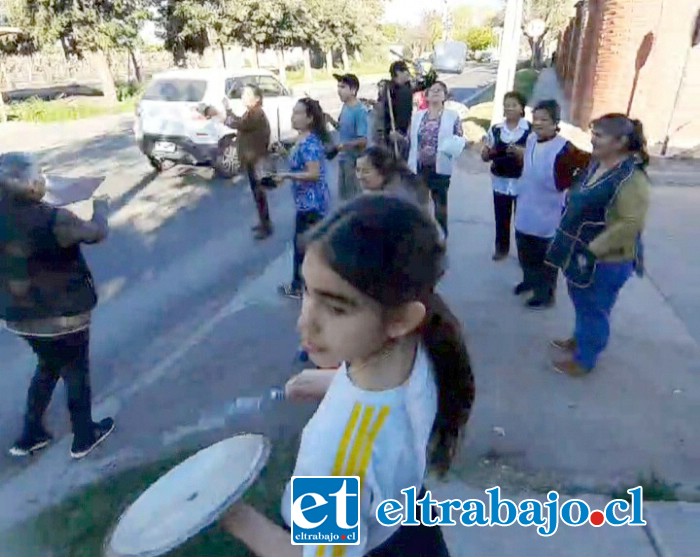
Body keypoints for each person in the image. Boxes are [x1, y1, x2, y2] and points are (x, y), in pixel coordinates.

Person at [221, 194, 475, 557]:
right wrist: (334, 383)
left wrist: (233, 515)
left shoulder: (336, 455)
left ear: (400, 319)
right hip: (410, 525)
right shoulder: (423, 345)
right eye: (307, 291)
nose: (303, 321)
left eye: (336, 307)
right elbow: (387, 404)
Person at [0, 152, 114, 460]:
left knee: (48, 365)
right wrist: (100, 210)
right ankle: (83, 436)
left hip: (18, 316)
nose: (41, 180)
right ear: (23, 183)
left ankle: (30, 434)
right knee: (76, 371)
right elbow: (96, 233)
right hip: (62, 315)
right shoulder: (53, 219)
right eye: (36, 176)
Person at [545, 114, 651, 376]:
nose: (593, 139)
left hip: (605, 260)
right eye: (594, 133)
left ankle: (585, 359)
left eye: (599, 135)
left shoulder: (632, 179)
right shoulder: (597, 163)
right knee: (583, 302)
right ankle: (581, 338)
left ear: (620, 142)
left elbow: (628, 225)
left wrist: (592, 251)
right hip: (581, 253)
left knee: (594, 308)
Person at [511, 100, 591, 310]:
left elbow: (587, 166)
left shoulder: (565, 148)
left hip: (549, 210)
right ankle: (529, 281)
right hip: (526, 204)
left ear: (555, 122)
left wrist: (572, 188)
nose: (538, 123)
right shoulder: (530, 140)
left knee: (544, 257)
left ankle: (545, 294)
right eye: (535, 119)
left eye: (544, 120)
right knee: (524, 249)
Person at [273, 98, 331, 299]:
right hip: (304, 201)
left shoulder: (310, 143)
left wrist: (287, 176)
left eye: (298, 113)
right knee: (306, 246)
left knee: (305, 247)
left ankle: (302, 286)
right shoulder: (301, 139)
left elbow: (313, 173)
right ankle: (305, 284)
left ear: (309, 118)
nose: (293, 116)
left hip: (313, 203)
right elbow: (299, 165)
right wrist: (283, 155)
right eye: (293, 112)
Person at [404, 81, 464, 238]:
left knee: (439, 206)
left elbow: (459, 139)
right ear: (427, 95)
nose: (436, 92)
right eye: (432, 90)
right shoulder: (417, 116)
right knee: (420, 204)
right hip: (419, 166)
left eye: (440, 90)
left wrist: (450, 147)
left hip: (440, 168)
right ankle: (422, 236)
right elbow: (409, 139)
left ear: (445, 96)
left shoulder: (452, 116)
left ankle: (441, 236)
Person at [481, 91, 532, 261]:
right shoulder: (496, 129)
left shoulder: (530, 131)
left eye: (514, 105)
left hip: (522, 182)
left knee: (523, 220)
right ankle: (501, 248)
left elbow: (537, 156)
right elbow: (485, 155)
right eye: (507, 105)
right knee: (501, 216)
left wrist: (521, 153)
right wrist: (487, 152)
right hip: (500, 181)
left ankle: (525, 253)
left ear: (521, 109)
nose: (509, 108)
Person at [219, 86, 273, 240]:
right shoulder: (251, 113)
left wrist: (221, 116)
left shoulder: (256, 114)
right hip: (252, 160)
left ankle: (266, 226)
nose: (243, 97)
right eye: (243, 94)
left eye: (247, 94)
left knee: (259, 193)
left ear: (257, 98)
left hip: (256, 160)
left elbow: (238, 124)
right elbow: (239, 121)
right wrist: (228, 109)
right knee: (258, 194)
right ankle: (264, 222)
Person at [356, 145, 433, 215]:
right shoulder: (374, 193)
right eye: (358, 170)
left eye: (366, 171)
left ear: (383, 171)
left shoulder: (400, 198)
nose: (360, 176)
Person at [327, 73, 368, 201]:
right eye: (338, 87)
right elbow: (343, 129)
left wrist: (343, 146)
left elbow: (363, 140)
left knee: (354, 198)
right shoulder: (345, 107)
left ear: (353, 90)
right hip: (343, 159)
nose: (339, 90)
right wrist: (330, 120)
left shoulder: (360, 111)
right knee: (344, 197)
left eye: (343, 87)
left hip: (354, 161)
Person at [372, 61, 415, 160]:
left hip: (389, 134)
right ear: (398, 72)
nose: (408, 73)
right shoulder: (400, 90)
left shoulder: (388, 88)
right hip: (396, 134)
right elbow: (402, 114)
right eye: (405, 70)